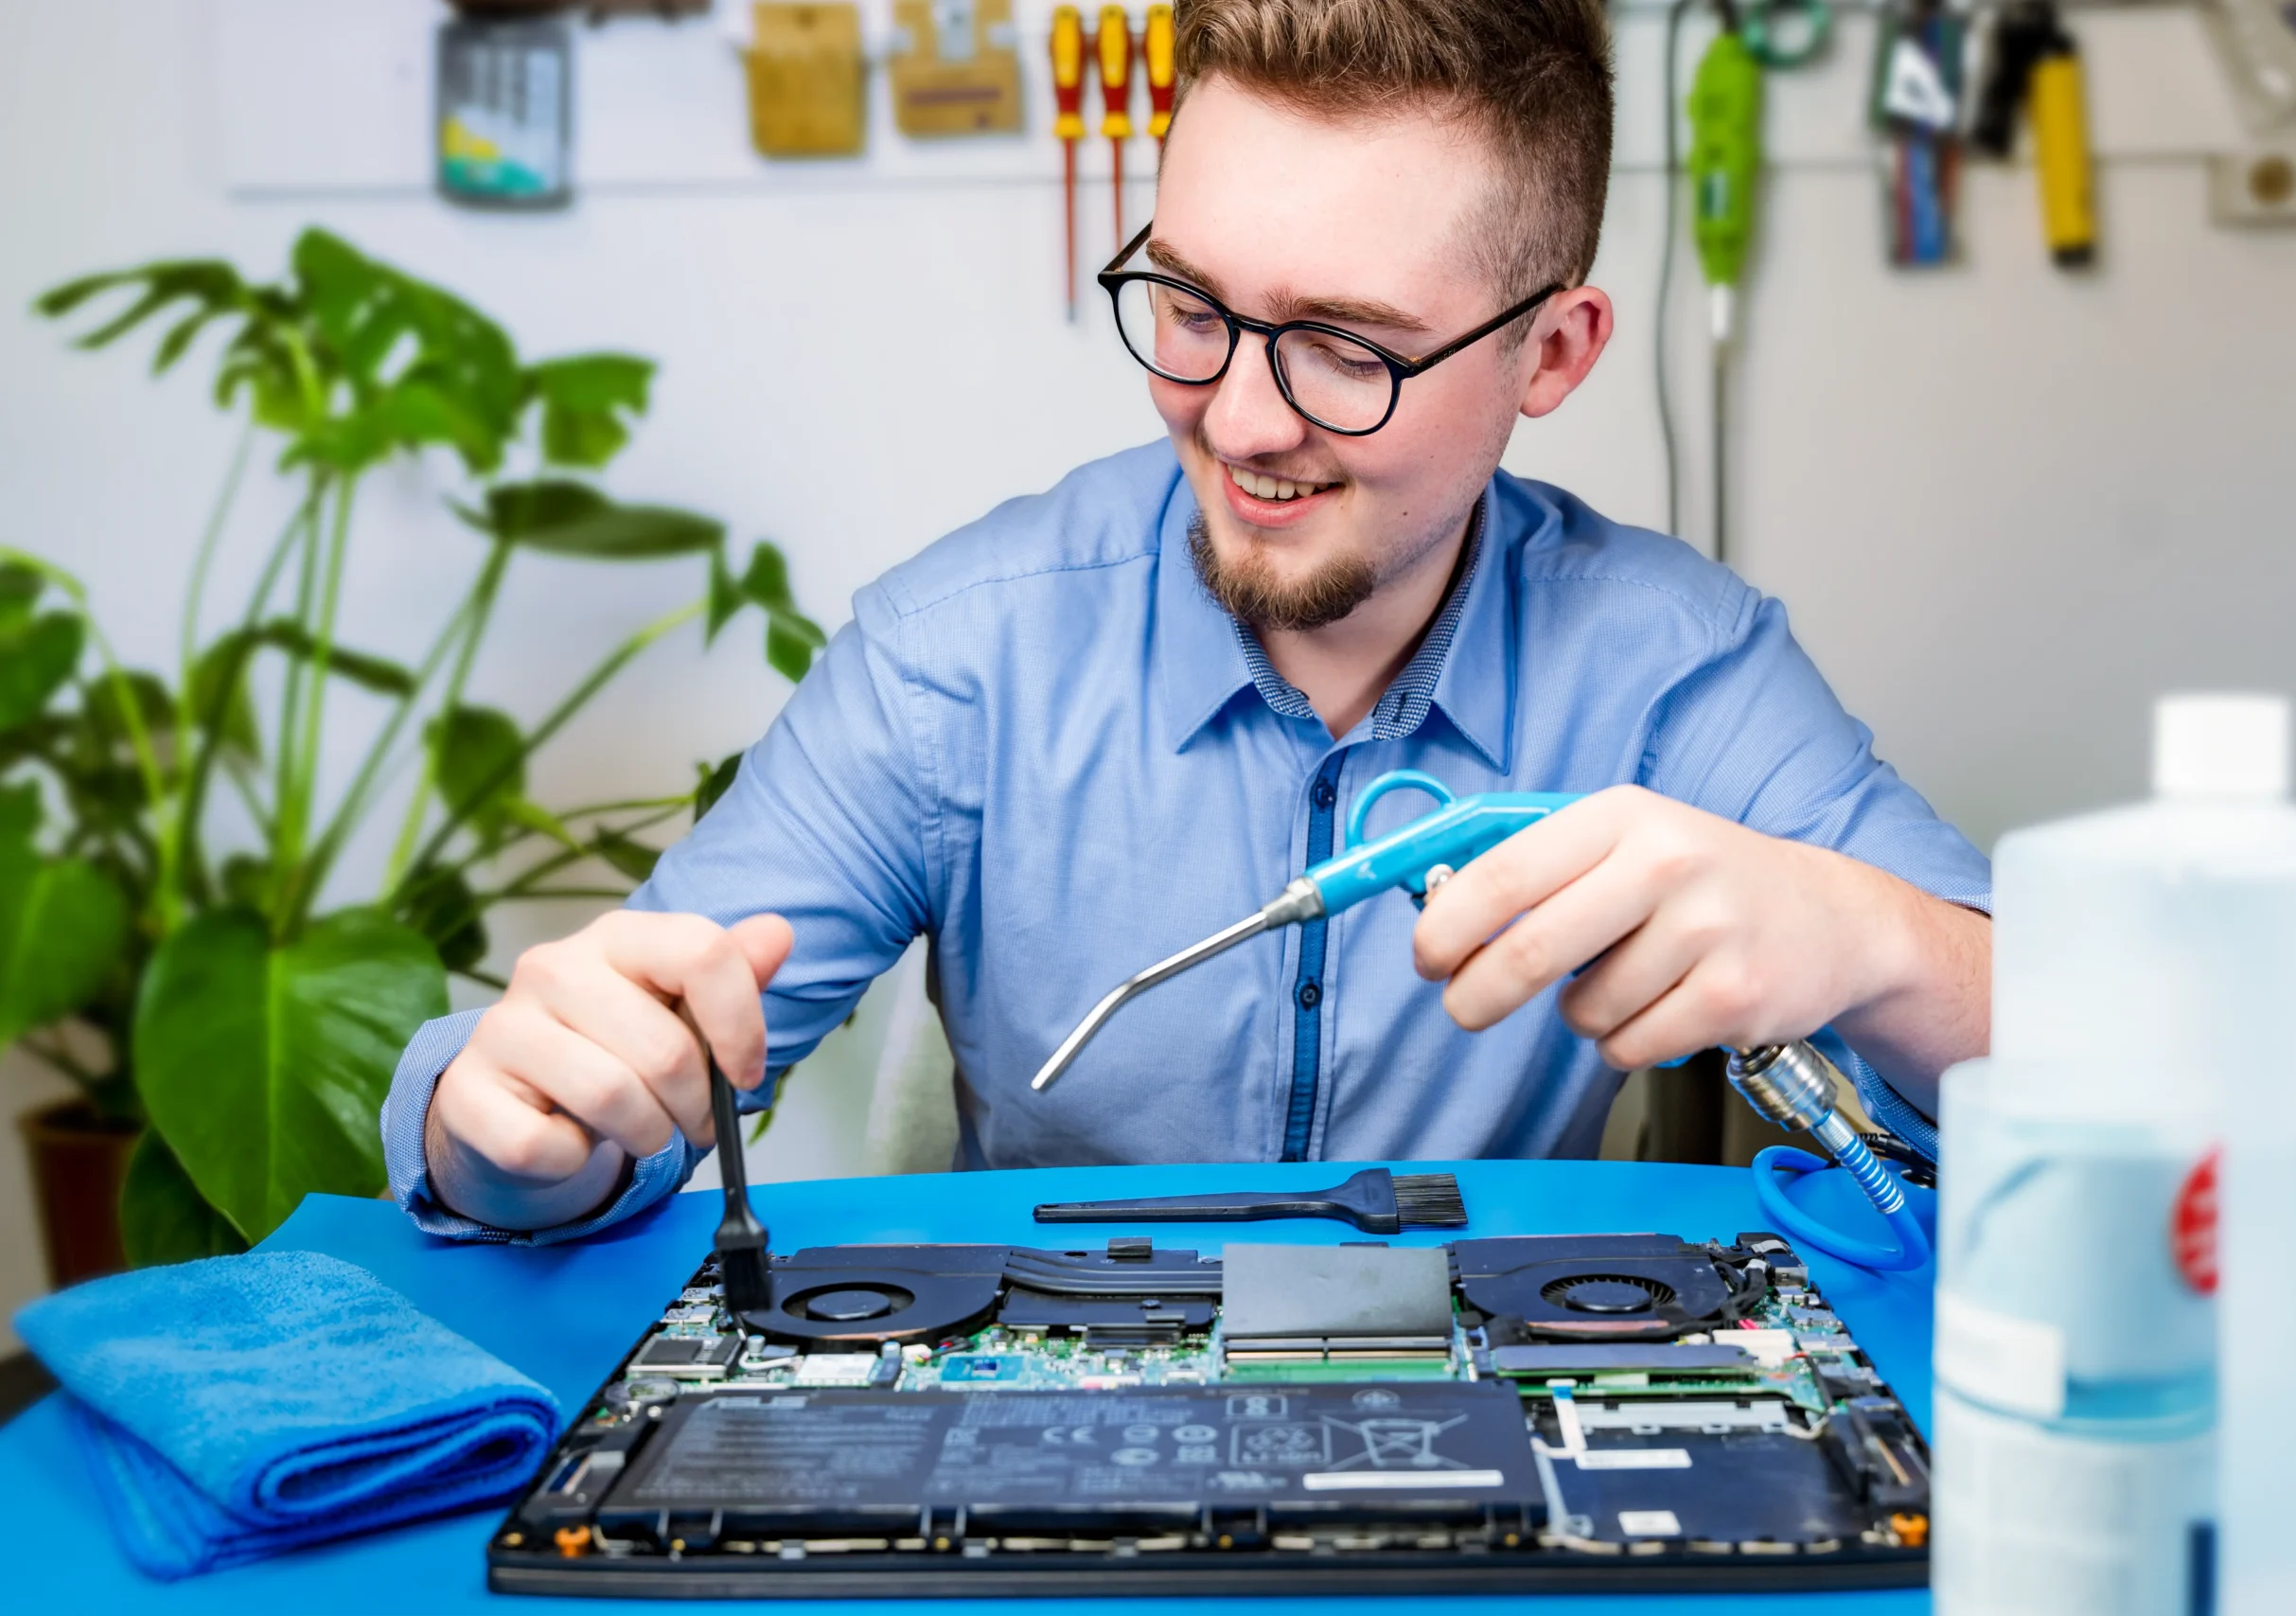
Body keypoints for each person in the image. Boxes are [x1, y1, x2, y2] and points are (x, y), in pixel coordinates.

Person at [381, 0, 1989, 1242]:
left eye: (1348, 347)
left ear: (1552, 356)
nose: (1236, 420)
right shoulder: (959, 656)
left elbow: (2112, 1061)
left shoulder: (1677, 665)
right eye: (1193, 306)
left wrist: (1869, 937)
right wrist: (516, 1125)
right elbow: (578, 1125)